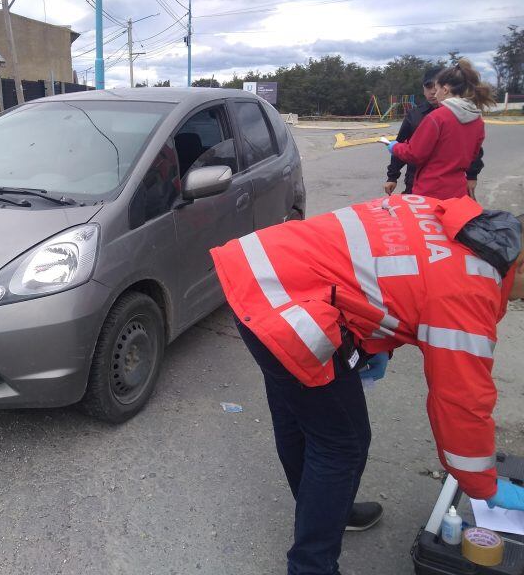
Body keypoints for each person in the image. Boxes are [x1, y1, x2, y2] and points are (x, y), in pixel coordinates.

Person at [210, 194, 524, 575]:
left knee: (296, 415)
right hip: (287, 309)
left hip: (259, 275)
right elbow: (462, 401)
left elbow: (378, 278)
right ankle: (312, 565)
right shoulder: (469, 290)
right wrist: (485, 486)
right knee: (343, 444)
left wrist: (372, 345)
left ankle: (323, 509)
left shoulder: (447, 214)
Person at [384, 59, 496, 200]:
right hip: (458, 191)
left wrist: (394, 147)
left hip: (430, 191)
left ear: (445, 90)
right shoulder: (477, 119)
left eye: (436, 89)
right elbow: (473, 155)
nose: (435, 94)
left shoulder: (437, 117)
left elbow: (415, 154)